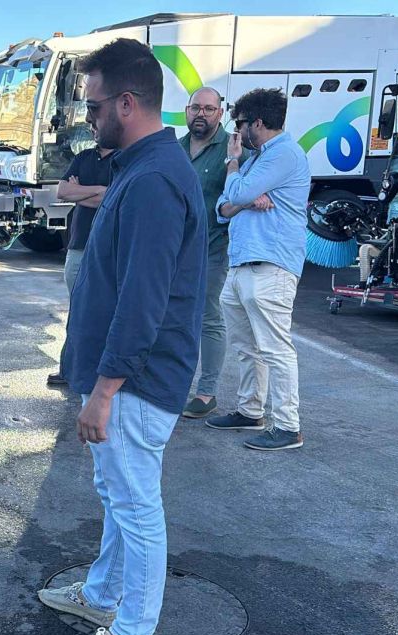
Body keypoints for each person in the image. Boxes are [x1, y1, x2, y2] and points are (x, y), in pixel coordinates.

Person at [38, 39, 206, 635]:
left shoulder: (157, 178)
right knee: (115, 491)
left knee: (135, 504)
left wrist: (105, 390)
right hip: (122, 377)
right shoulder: (138, 168)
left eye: (95, 107)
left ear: (128, 103)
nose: (89, 119)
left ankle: (131, 634)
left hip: (137, 380)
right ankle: (102, 593)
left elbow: (144, 298)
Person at [205, 88, 310, 451]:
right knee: (246, 345)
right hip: (243, 263)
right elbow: (224, 204)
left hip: (272, 265)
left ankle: (287, 426)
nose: (238, 132)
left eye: (241, 123)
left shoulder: (282, 155)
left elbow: (236, 192)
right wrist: (244, 199)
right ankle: (251, 411)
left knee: (275, 348)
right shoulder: (259, 158)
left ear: (258, 123)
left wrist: (233, 167)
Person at [179, 87, 237, 418]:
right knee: (172, 316)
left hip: (212, 248)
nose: (201, 114)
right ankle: (171, 383)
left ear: (220, 112)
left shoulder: (231, 148)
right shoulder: (176, 148)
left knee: (207, 317)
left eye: (208, 109)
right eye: (195, 108)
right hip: (174, 249)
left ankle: (206, 392)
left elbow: (237, 192)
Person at [46, 141, 114, 388]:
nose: (93, 126)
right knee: (77, 310)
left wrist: (82, 191)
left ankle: (97, 372)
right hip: (78, 245)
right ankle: (69, 369)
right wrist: (99, 190)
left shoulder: (123, 158)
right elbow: (62, 191)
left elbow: (113, 197)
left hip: (107, 247)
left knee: (101, 311)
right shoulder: (83, 157)